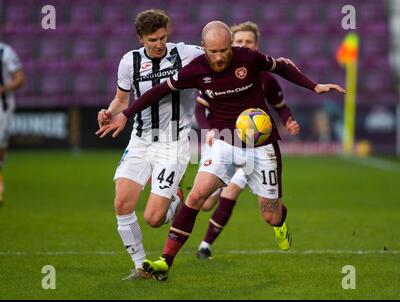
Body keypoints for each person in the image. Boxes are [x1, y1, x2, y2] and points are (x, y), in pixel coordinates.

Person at [97, 21, 345, 281]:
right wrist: (125, 114)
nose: (219, 57)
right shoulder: (195, 69)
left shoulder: (248, 58)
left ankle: (281, 223)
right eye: (213, 51)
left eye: (224, 50)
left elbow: (281, 66)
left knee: (270, 216)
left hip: (262, 145)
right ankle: (165, 261)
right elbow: (159, 91)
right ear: (204, 48)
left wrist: (314, 86)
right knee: (196, 197)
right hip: (225, 142)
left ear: (231, 46)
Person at [96, 9, 204, 280]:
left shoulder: (186, 53)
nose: (158, 44)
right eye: (152, 40)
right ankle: (141, 266)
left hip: (174, 143)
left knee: (154, 219)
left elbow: (219, 54)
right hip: (141, 140)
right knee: (122, 203)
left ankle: (175, 198)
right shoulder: (128, 62)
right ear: (140, 38)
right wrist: (110, 112)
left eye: (162, 38)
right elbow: (122, 100)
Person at [195, 21, 300, 260]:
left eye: (248, 42)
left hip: (255, 147)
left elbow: (280, 106)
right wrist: (209, 130)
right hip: (224, 142)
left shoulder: (265, 78)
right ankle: (202, 243)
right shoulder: (215, 73)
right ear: (231, 44)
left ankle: (205, 245)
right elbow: (200, 111)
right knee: (207, 203)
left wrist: (289, 120)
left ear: (256, 46)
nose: (243, 45)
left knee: (236, 195)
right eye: (238, 42)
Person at [0, 41, 25, 205]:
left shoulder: (5, 52)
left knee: (0, 147)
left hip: (2, 107)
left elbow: (20, 78)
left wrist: (3, 89)